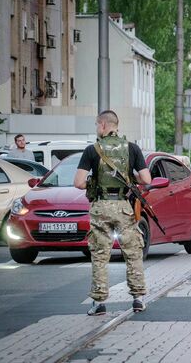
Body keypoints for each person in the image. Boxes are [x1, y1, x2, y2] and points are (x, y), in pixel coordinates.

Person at [73, 110, 152, 315]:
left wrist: (94, 182)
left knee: (100, 255)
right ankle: (138, 298)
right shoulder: (132, 148)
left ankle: (99, 303)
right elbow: (147, 179)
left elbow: (78, 183)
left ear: (102, 125)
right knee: (133, 252)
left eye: (97, 125)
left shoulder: (93, 150)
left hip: (101, 207)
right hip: (124, 207)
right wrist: (129, 178)